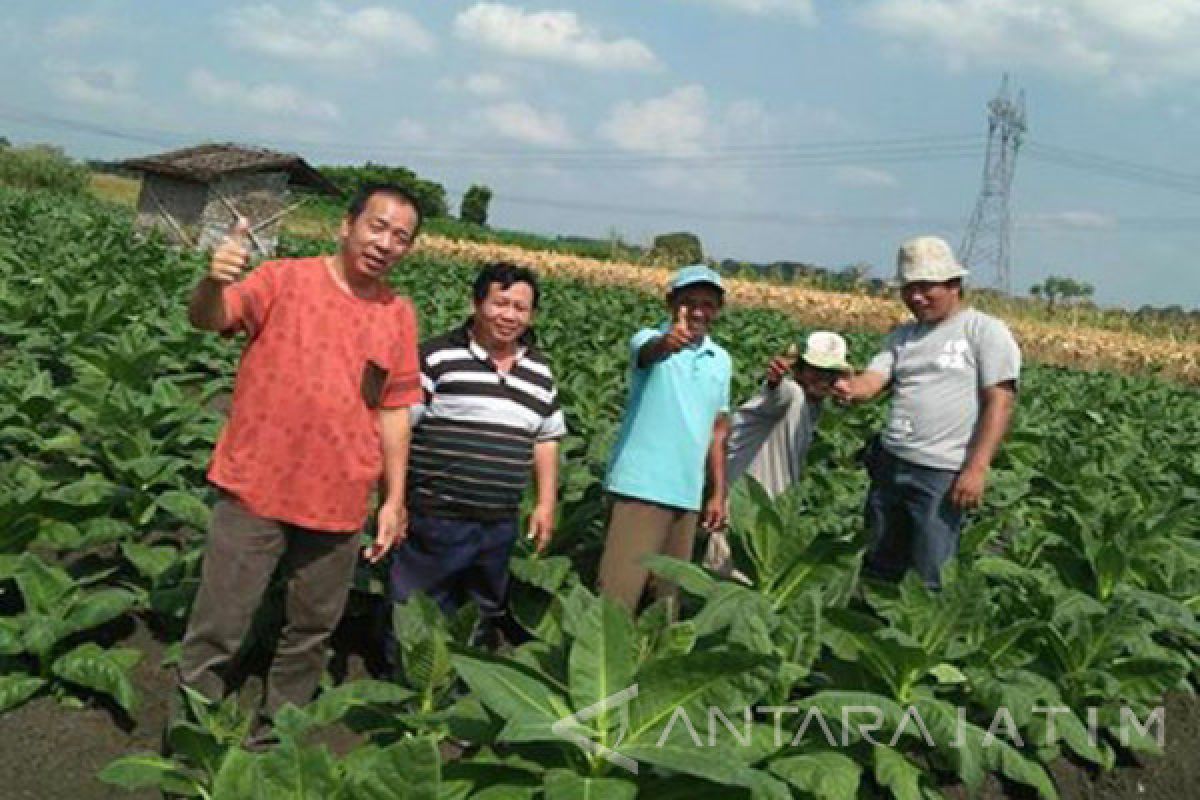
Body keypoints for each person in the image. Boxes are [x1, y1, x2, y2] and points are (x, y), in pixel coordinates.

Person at [177, 183, 423, 731]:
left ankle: (276, 741)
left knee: (310, 633)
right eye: (376, 227)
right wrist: (215, 280)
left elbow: (394, 412)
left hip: (337, 502)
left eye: (400, 237)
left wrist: (393, 500)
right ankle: (193, 740)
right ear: (347, 225)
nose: (385, 243)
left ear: (408, 250)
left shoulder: (398, 315)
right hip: (255, 486)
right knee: (220, 623)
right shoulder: (283, 279)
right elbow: (209, 318)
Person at [389, 262, 565, 646]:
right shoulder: (435, 357)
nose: (509, 315)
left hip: (498, 523)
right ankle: (408, 692)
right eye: (500, 304)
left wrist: (545, 504)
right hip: (435, 516)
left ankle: (458, 695)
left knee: (479, 614)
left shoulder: (540, 373)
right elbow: (399, 429)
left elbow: (546, 440)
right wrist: (394, 499)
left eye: (520, 308)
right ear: (476, 303)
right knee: (416, 613)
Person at [834, 235, 1020, 588]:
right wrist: (843, 385)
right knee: (879, 566)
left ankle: (925, 640)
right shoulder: (904, 335)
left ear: (954, 285)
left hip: (941, 474)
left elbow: (1000, 402)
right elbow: (871, 382)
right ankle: (873, 634)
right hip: (891, 466)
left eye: (926, 287)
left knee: (931, 572)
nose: (916, 297)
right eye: (909, 288)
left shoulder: (984, 332)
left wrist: (976, 469)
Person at [597, 264, 732, 614]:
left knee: (664, 608)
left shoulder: (721, 360)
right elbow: (651, 351)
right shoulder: (647, 339)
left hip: (686, 495)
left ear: (718, 310)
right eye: (689, 302)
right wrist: (668, 343)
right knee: (617, 600)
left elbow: (717, 430)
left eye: (708, 303)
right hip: (641, 488)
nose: (699, 311)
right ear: (671, 304)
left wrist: (717, 493)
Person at [702, 331, 853, 576]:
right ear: (800, 370)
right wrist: (774, 380)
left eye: (831, 373)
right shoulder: (792, 393)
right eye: (816, 370)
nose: (823, 379)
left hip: (768, 515)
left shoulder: (812, 405)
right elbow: (777, 392)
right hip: (743, 511)